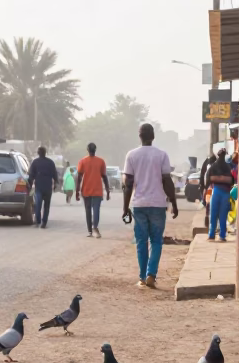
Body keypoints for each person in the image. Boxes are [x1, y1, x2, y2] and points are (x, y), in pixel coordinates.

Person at [122, 123, 179, 288]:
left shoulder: (131, 155)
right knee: (156, 241)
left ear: (139, 136)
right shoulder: (161, 155)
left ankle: (142, 276)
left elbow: (128, 183)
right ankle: (151, 275)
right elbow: (167, 181)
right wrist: (174, 203)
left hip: (139, 204)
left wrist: (125, 207)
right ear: (153, 136)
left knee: (141, 241)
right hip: (158, 204)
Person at [75, 142, 110, 238]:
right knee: (96, 209)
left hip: (86, 190)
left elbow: (79, 177)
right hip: (97, 190)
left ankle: (90, 231)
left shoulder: (82, 161)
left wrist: (77, 191)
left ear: (87, 150)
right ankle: (95, 228)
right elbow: (104, 176)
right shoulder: (101, 161)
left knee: (88, 210)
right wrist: (107, 190)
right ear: (95, 150)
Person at [205, 148, 234, 242]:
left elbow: (207, 179)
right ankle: (222, 236)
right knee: (223, 215)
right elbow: (232, 181)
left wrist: (208, 188)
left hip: (216, 191)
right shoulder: (228, 167)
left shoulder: (213, 166)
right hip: (225, 193)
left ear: (218, 155)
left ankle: (211, 235)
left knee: (213, 214)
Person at [27, 146, 59, 228]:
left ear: (38, 153)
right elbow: (55, 175)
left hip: (39, 187)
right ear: (45, 153)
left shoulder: (35, 162)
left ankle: (38, 221)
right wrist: (55, 184)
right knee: (46, 205)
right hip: (48, 187)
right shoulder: (50, 162)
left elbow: (31, 175)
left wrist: (30, 184)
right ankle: (44, 222)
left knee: (38, 204)